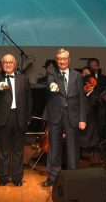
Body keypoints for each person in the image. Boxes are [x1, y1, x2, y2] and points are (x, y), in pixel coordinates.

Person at [41, 48, 86, 187]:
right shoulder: (51, 73)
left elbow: (81, 98)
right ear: (56, 60)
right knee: (54, 147)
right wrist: (53, 86)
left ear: (69, 60)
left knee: (73, 147)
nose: (62, 61)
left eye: (64, 59)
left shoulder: (77, 75)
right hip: (55, 115)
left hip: (72, 115)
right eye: (59, 59)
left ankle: (73, 177)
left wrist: (82, 118)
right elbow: (51, 84)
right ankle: (53, 177)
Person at [0, 54, 32, 186]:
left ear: (15, 65)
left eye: (11, 62)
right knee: (3, 151)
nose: (8, 64)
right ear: (2, 65)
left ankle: (17, 177)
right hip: (4, 119)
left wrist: (28, 117)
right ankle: (3, 177)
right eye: (5, 62)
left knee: (18, 150)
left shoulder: (24, 78)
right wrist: (1, 85)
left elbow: (29, 99)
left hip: (20, 117)